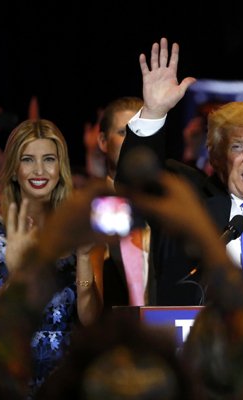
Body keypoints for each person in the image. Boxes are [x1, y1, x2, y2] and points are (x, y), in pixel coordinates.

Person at [115, 38, 243, 305]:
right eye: (238, 146)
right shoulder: (184, 204)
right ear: (215, 157)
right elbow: (134, 188)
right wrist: (153, 112)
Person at [0, 119, 103, 397]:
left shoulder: (80, 231)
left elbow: (92, 320)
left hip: (65, 382)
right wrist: (20, 272)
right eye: (27, 159)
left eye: (49, 159)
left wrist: (84, 258)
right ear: (13, 170)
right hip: (8, 378)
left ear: (60, 168)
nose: (39, 170)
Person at [93, 96, 153, 310]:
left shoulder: (171, 210)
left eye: (141, 133)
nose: (133, 142)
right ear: (103, 141)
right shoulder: (86, 208)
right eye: (123, 132)